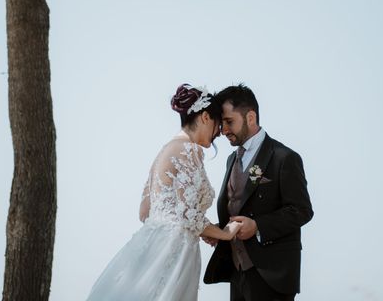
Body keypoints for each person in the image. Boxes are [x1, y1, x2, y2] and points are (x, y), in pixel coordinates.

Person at [87, 84, 242, 301]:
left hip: (151, 246)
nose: (219, 132)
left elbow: (145, 211)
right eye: (218, 124)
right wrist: (225, 233)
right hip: (175, 251)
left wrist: (198, 229)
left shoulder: (166, 149)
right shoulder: (190, 149)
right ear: (205, 117)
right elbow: (188, 216)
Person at [203, 84, 313, 301]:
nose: (223, 130)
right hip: (237, 272)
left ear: (250, 117)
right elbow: (239, 204)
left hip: (273, 274)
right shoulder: (231, 160)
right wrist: (221, 231)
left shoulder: (284, 157)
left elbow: (302, 210)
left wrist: (258, 226)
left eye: (229, 122)